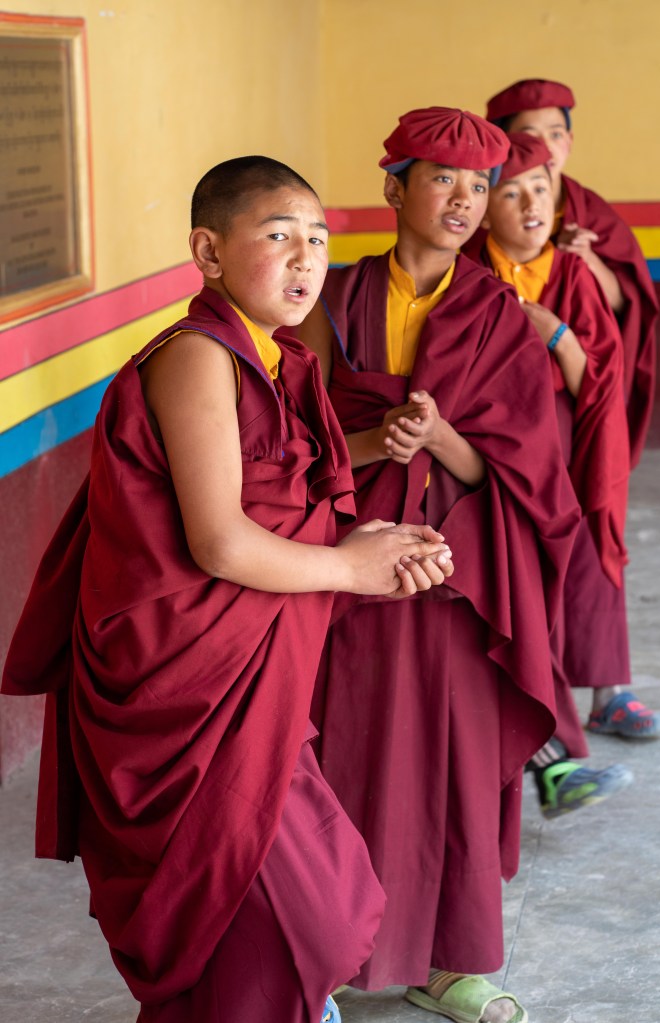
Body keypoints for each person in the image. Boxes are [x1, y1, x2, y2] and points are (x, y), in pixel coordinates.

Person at [1, 156, 457, 1023]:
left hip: (243, 688)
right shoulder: (196, 359)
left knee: (315, 902)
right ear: (208, 252)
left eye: (317, 238)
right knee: (267, 914)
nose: (305, 258)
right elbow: (219, 540)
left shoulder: (277, 362)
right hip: (181, 688)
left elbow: (280, 493)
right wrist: (350, 569)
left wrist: (370, 544)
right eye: (278, 235)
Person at [298, 107, 581, 1023]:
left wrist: (441, 437)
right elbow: (295, 436)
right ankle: (325, 952)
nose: (464, 200)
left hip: (458, 570)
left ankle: (451, 961)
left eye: (478, 185)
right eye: (442, 179)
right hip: (345, 564)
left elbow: (527, 469)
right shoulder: (334, 298)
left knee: (452, 764)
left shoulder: (498, 315)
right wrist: (379, 436)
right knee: (337, 751)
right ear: (394, 188)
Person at [476, 77, 660, 740]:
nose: (544, 152)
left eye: (555, 135)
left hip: (578, 422)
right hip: (500, 437)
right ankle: (532, 702)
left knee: (593, 533)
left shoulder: (583, 219)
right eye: (527, 138)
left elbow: (627, 309)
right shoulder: (473, 251)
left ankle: (607, 692)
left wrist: (562, 327)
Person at [471, 133, 637, 816]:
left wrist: (558, 336)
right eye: (509, 193)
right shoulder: (470, 275)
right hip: (496, 460)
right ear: (484, 209)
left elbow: (599, 379)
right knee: (518, 595)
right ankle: (548, 756)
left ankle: (564, 742)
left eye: (539, 189)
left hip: (565, 454)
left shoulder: (569, 274)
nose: (529, 205)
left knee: (564, 580)